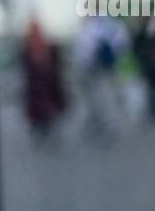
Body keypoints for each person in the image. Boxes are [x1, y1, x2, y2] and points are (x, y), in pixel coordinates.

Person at [73, 11, 130, 143]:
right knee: (103, 98)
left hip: (94, 69)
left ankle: (105, 126)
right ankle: (102, 125)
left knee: (100, 99)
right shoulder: (112, 25)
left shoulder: (91, 28)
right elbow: (122, 43)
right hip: (108, 67)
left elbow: (83, 50)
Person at [19, 14, 69, 144]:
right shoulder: (29, 47)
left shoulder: (47, 47)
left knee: (47, 111)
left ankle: (46, 132)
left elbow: (56, 64)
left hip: (46, 86)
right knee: (41, 112)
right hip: (37, 88)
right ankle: (42, 132)